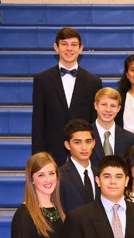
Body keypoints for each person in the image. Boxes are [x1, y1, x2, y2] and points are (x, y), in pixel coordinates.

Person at [32, 27, 102, 166]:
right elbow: (38, 122)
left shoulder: (94, 81)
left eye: (74, 44)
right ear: (56, 47)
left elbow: (94, 122)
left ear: (81, 48)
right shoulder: (42, 80)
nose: (69, 48)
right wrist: (38, 157)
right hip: (52, 153)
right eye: (64, 44)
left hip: (83, 153)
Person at [59, 119, 99, 213]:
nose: (84, 147)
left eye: (88, 141)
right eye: (77, 142)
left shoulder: (100, 173)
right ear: (67, 145)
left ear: (94, 143)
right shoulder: (60, 176)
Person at [91, 87, 134, 164]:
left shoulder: (130, 139)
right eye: (104, 104)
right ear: (96, 105)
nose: (108, 110)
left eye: (113, 106)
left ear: (118, 108)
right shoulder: (85, 135)